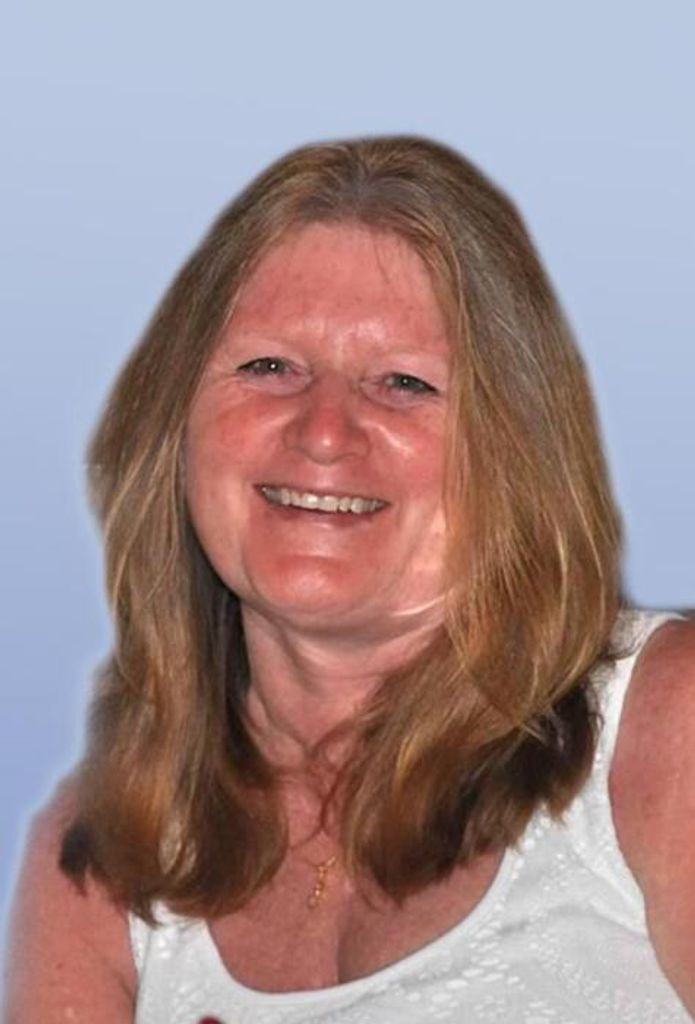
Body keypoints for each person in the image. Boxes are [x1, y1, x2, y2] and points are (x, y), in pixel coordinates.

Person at [4, 135, 695, 1022]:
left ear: (517, 450)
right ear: (172, 425)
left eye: (403, 383)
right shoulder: (105, 851)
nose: (324, 432)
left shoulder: (663, 729)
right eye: (269, 367)